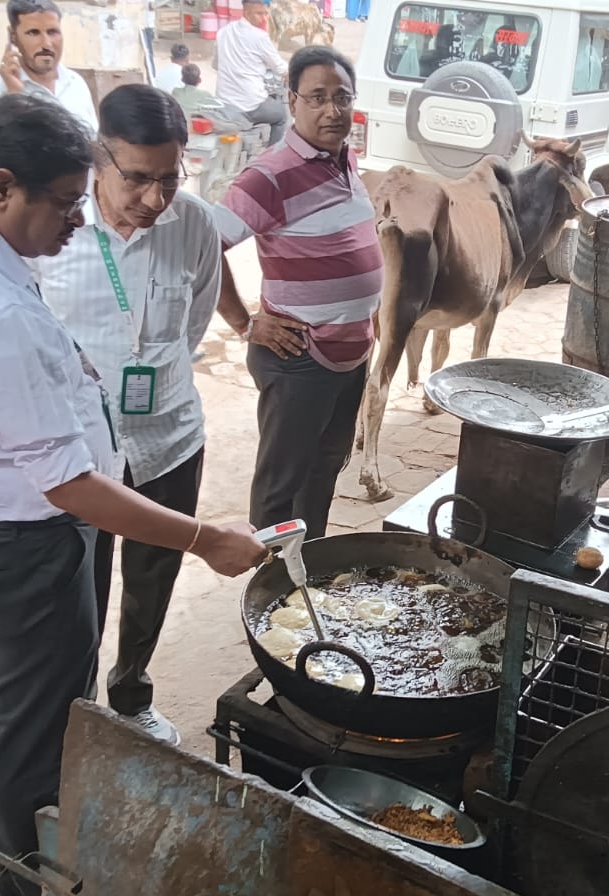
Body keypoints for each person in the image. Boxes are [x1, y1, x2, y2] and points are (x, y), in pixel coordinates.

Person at [0, 95, 264, 896]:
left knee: (10, 692)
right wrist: (205, 538)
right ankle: (25, 877)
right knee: (48, 719)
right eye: (63, 202)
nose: (74, 219)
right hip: (29, 538)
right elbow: (72, 486)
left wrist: (69, 371)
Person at [34, 85, 220, 745]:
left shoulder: (195, 225)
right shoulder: (50, 229)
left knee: (152, 580)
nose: (153, 198)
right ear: (97, 158)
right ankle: (74, 710)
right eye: (137, 179)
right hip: (79, 455)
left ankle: (131, 692)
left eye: (169, 178)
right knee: (78, 595)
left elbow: (192, 324)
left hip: (168, 438)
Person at [213, 45, 382, 533]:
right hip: (299, 358)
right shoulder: (270, 175)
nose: (332, 110)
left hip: (348, 358)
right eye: (317, 97)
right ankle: (271, 593)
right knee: (281, 488)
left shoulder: (343, 162)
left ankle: (305, 581)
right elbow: (204, 244)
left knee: (323, 469)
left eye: (342, 97)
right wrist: (245, 322)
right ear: (292, 101)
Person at [0, 0, 98, 134]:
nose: (46, 44)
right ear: (13, 36)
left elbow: (93, 141)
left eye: (52, 32)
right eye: (33, 33)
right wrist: (14, 96)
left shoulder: (75, 83)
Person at [216, 0, 289, 146]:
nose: (263, 18)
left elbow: (215, 64)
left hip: (223, 101)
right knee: (281, 116)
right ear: (246, 13)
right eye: (259, 13)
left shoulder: (223, 32)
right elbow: (281, 68)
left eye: (265, 14)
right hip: (249, 104)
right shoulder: (260, 37)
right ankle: (273, 160)